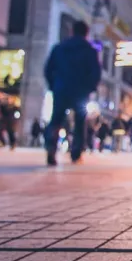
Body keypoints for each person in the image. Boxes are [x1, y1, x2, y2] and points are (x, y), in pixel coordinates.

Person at [43, 20, 101, 166]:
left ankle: (51, 147)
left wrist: (53, 85)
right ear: (86, 33)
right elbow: (95, 72)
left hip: (61, 88)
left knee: (56, 120)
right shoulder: (90, 51)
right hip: (81, 91)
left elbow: (48, 69)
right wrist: (90, 87)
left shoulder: (59, 48)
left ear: (72, 31)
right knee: (80, 122)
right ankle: (76, 152)